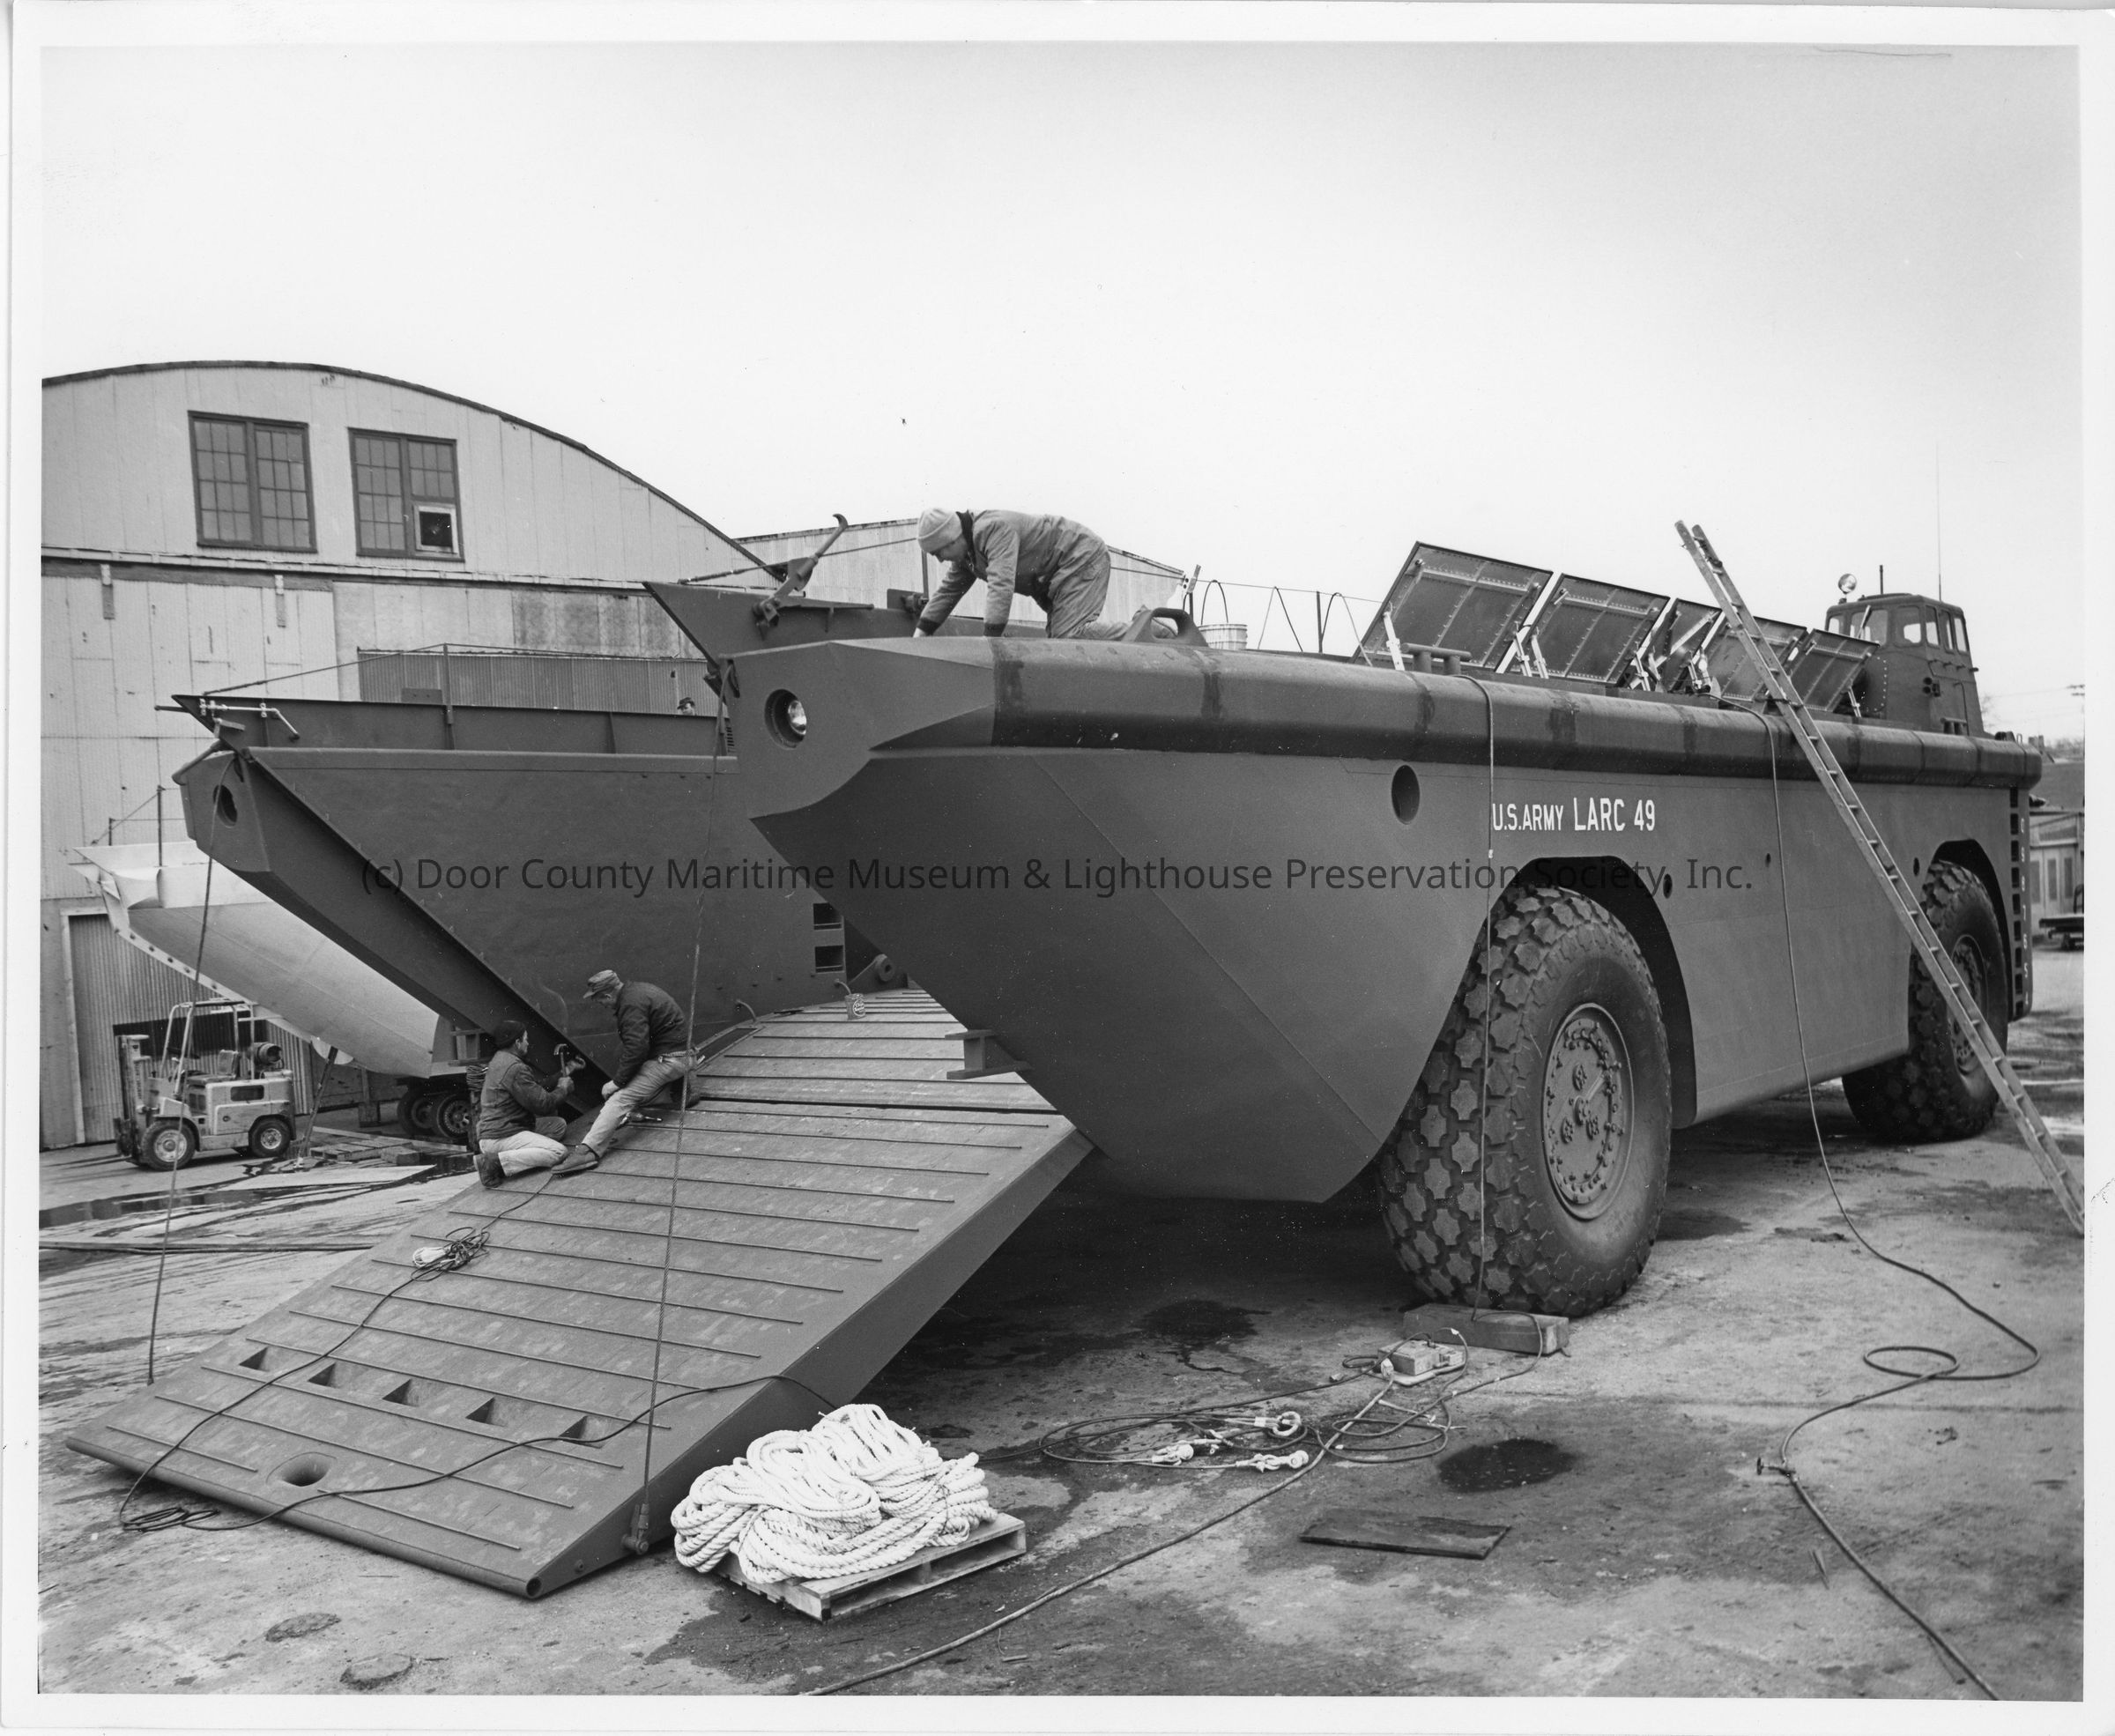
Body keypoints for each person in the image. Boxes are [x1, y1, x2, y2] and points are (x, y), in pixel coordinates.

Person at [553, 969, 694, 1176]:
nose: (601, 1004)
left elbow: (637, 1048)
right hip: (684, 1054)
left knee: (620, 1099)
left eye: (599, 1000)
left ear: (608, 995)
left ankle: (588, 1152)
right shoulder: (639, 991)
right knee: (637, 1086)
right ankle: (681, 1091)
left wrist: (617, 1083)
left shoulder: (630, 1005)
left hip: (671, 1060)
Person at [914, 508, 1131, 641]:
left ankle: (1141, 630)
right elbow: (949, 591)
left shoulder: (992, 529)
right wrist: (921, 633)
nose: (940, 560)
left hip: (1079, 555)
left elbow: (1001, 585)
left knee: (1070, 636)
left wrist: (990, 640)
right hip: (1057, 573)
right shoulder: (967, 554)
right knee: (1059, 640)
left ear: (952, 539)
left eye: (938, 553)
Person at [474, 1020, 583, 1188]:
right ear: (517, 1043)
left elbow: (534, 1089)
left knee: (558, 1126)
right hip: (500, 1136)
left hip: (497, 1131)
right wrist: (563, 1089)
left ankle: (512, 1156)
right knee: (559, 1152)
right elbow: (543, 1105)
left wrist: (568, 1068)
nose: (528, 1043)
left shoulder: (500, 1059)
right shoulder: (515, 1068)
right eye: (525, 1039)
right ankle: (494, 1162)